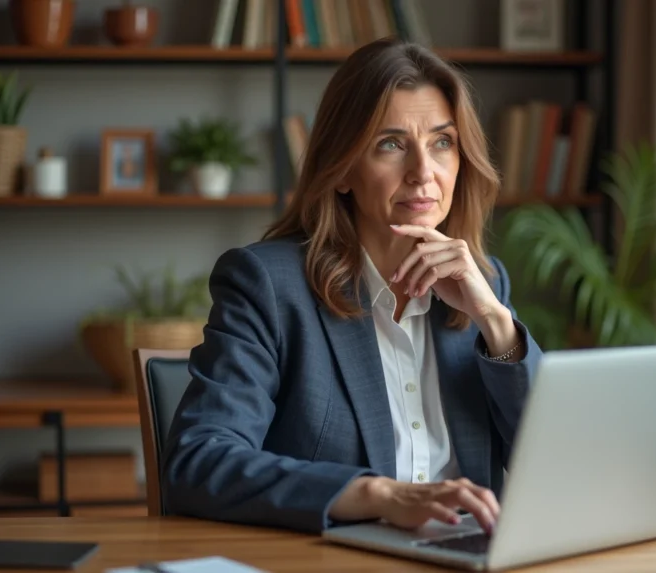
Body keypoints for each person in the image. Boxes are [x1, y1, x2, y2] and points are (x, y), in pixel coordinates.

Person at [161, 37, 544, 536]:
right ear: (343, 169)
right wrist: (379, 495)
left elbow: (552, 462)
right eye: (391, 144)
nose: (423, 173)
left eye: (442, 143)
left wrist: (495, 322)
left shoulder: (483, 284)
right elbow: (198, 462)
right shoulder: (268, 287)